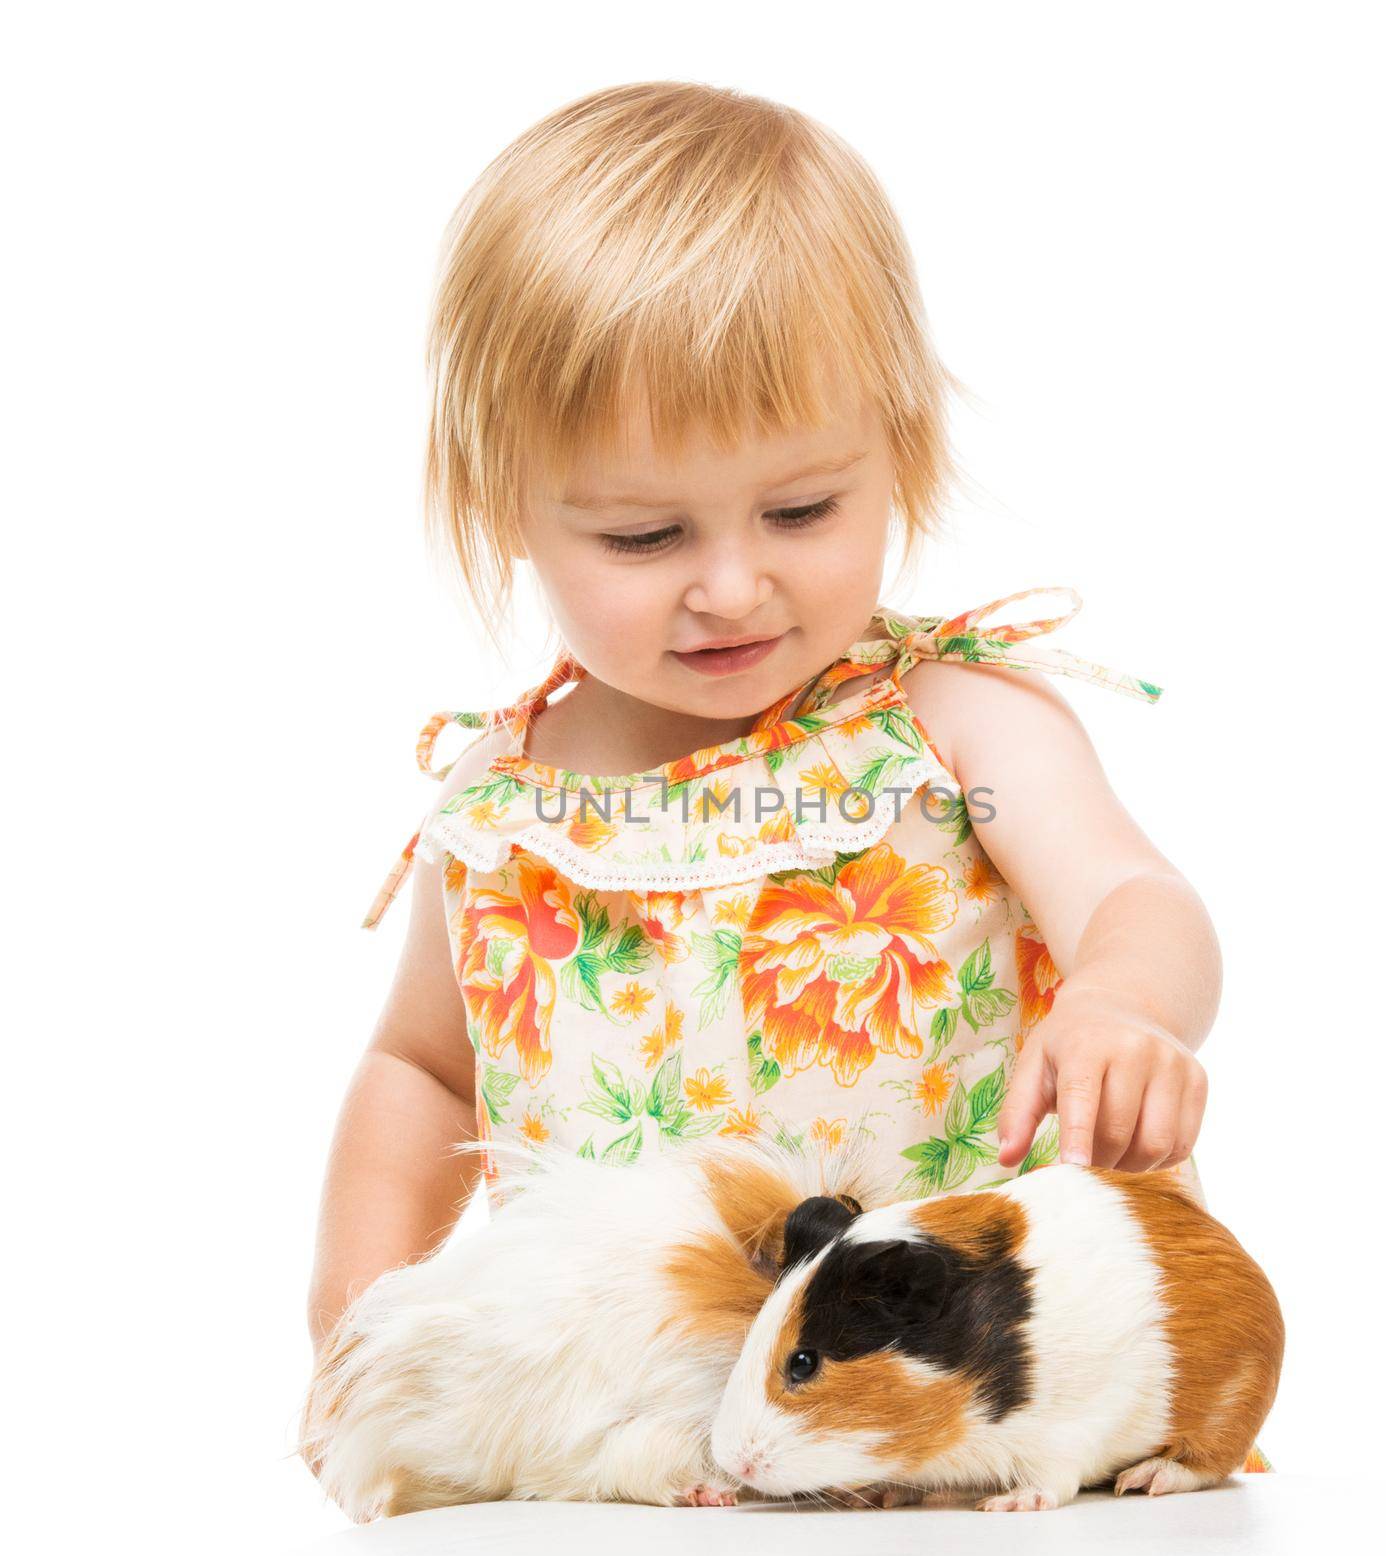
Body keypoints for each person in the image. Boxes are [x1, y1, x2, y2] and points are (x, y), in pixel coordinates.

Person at [306, 82, 1223, 1372]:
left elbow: (1135, 893)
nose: (733, 588)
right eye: (643, 535)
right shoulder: (504, 803)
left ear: (895, 449)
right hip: (629, 1430)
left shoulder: (950, 729)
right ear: (503, 505)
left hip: (963, 1385)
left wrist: (1129, 1008)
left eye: (800, 511)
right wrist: (358, 1327)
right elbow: (426, 1074)